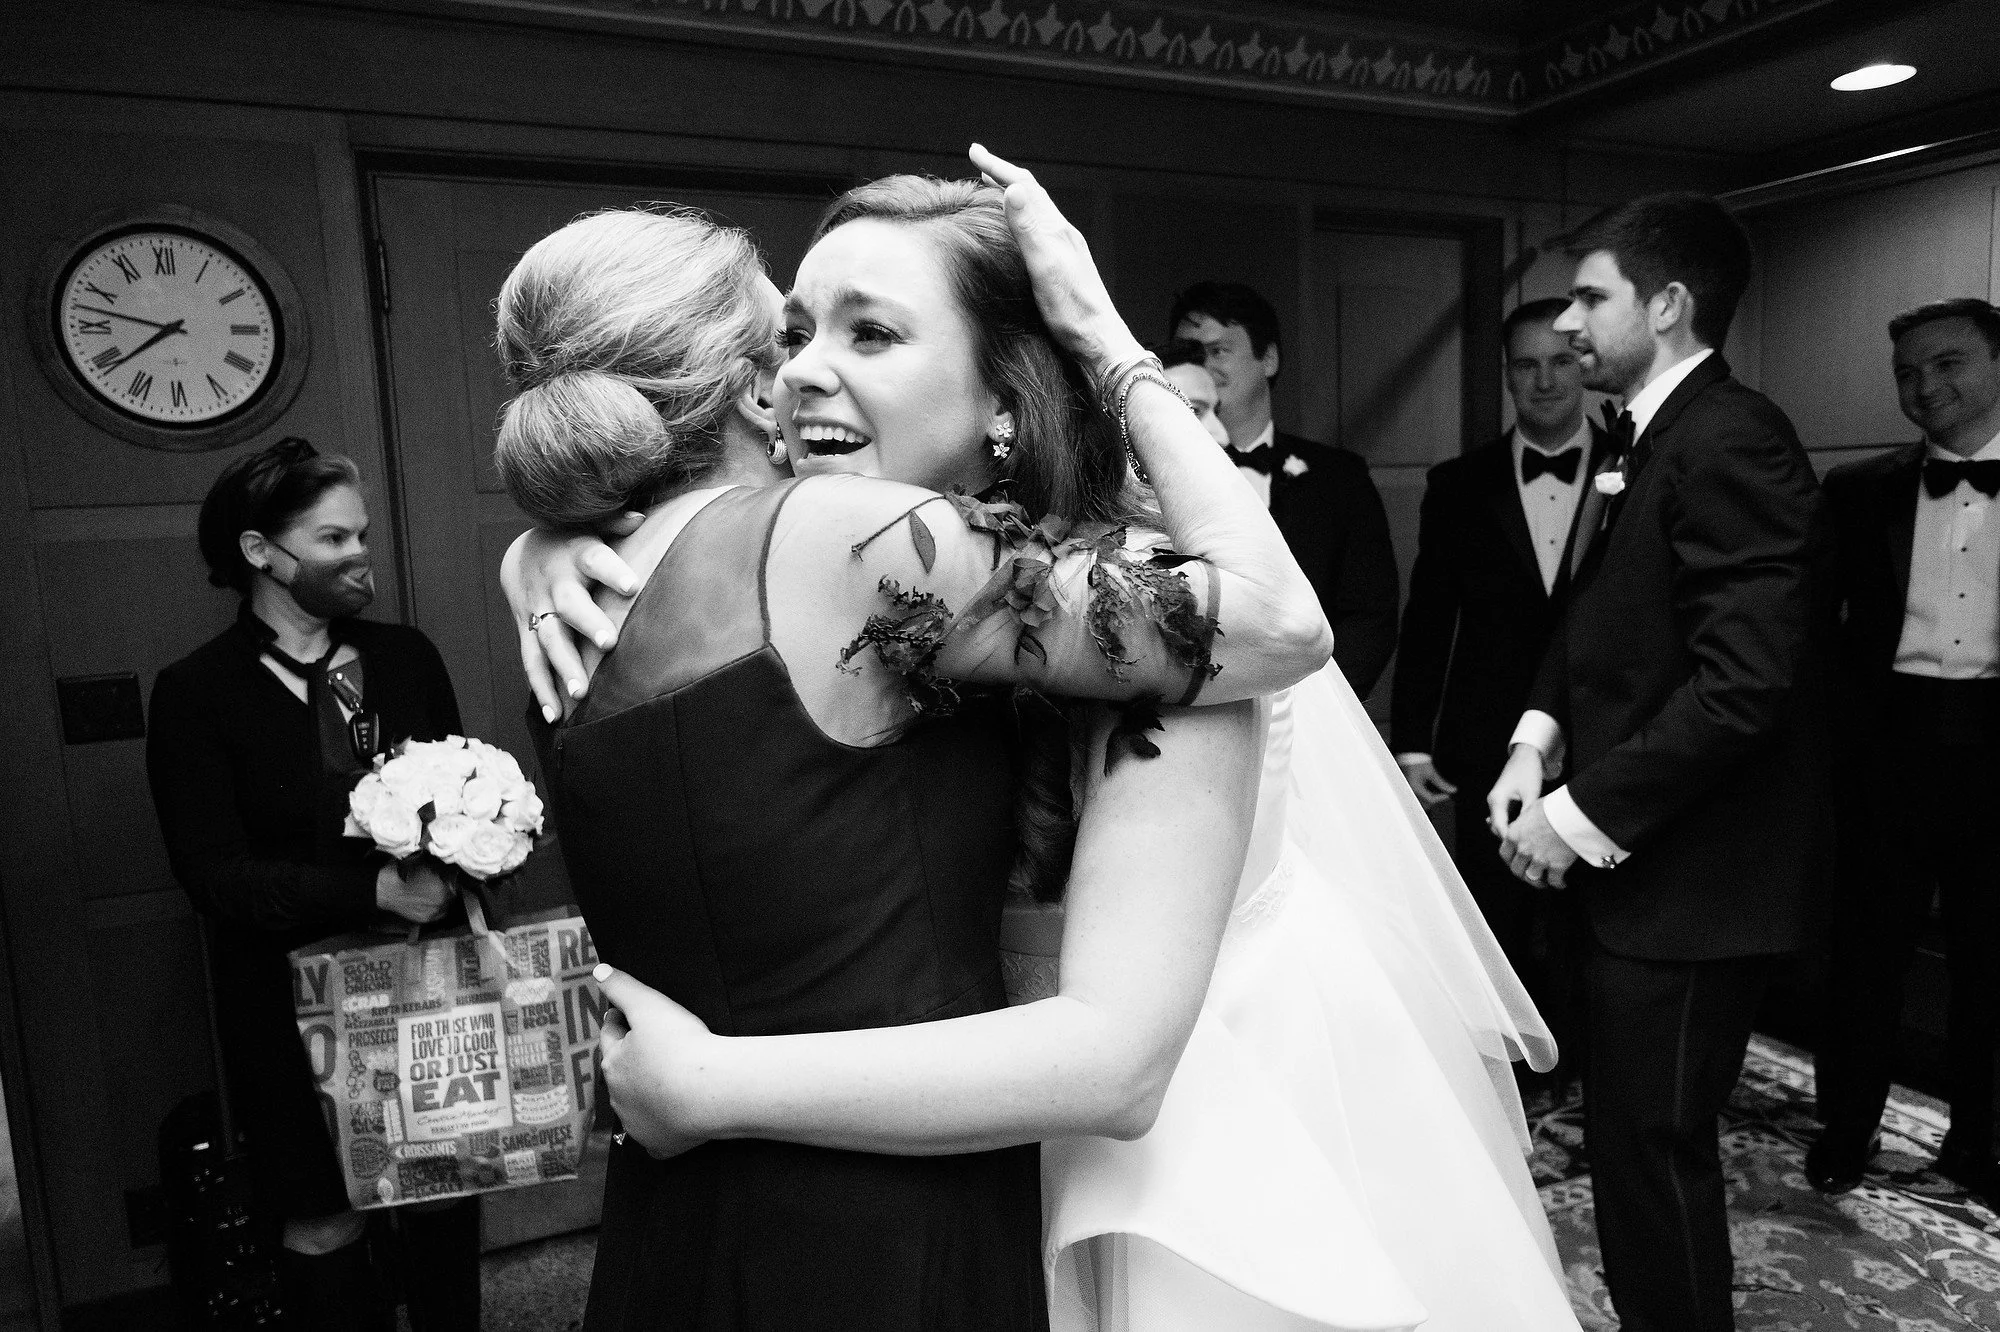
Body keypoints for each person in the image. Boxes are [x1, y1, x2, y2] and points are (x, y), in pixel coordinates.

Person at [509, 154, 1576, 1331]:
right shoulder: (869, 594)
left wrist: (1110, 351)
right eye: (791, 337)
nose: (797, 377)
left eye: (870, 336)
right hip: (932, 1169)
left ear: (1000, 398)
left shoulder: (1156, 632)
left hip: (1171, 1195)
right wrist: (555, 540)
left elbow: (1116, 1053)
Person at [1487, 193, 1832, 1332]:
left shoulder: (1731, 437)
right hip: (1649, 877)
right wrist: (1531, 745)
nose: (1569, 322)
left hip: (1697, 885)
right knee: (1630, 1141)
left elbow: (1743, 687)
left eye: (1591, 296)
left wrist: (1578, 816)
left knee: (1655, 1150)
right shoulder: (1645, 432)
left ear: (1667, 305)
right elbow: (1597, 619)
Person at [145, 439, 481, 1332]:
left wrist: (470, 859)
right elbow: (212, 876)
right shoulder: (197, 694)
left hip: (425, 980)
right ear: (262, 553)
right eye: (332, 539)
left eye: (361, 535)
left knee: (443, 1189)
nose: (358, 556)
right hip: (285, 999)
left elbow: (466, 789)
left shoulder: (406, 657)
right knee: (326, 1212)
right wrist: (368, 896)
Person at [1393, 297, 1610, 1094]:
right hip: (1487, 736)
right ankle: (1512, 1079)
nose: (1546, 379)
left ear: (1585, 364)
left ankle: (1595, 1074)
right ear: (1507, 374)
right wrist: (1413, 739)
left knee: (1596, 920)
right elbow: (1429, 620)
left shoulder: (1639, 469)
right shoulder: (1459, 484)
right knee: (1497, 916)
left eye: (1561, 360)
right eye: (1527, 363)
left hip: (1607, 732)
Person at [1811, 297, 2000, 1205]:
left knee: (1990, 967)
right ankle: (1846, 1132)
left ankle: (1981, 1145)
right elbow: (1818, 631)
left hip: (1999, 760)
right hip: (1887, 755)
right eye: (1907, 373)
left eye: (1948, 363)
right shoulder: (1858, 491)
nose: (1924, 386)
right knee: (1864, 961)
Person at [1170, 282, 1399, 697]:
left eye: (1220, 349)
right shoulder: (1149, 477)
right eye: (1190, 350)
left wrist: (1314, 708)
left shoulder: (1340, 478)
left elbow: (1370, 615)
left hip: (1316, 713)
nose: (1203, 363)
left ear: (1269, 358)